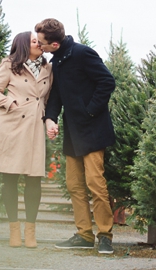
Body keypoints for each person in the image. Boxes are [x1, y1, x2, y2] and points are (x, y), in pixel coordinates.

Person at [35, 18, 117, 255]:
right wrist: (50, 118)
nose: (39, 45)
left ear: (55, 44)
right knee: (74, 185)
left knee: (95, 183)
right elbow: (57, 96)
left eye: (42, 42)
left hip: (93, 131)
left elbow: (106, 81)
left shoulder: (83, 54)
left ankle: (105, 236)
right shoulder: (58, 61)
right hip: (73, 133)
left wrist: (89, 110)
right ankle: (83, 235)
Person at [0, 31, 53, 248]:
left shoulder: (48, 68)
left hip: (34, 126)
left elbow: (49, 98)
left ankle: (30, 231)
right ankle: (14, 231)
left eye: (40, 41)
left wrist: (51, 120)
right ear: (25, 45)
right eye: (35, 41)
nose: (39, 44)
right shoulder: (10, 65)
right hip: (12, 125)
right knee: (10, 178)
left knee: (34, 178)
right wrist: (10, 104)